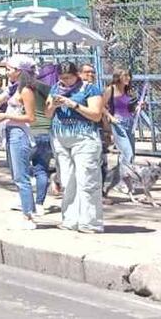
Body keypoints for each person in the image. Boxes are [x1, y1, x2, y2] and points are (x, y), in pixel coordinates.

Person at [47, 60, 105, 233]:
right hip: (61, 139)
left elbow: (96, 115)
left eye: (69, 78)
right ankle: (70, 220)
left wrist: (74, 105)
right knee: (68, 180)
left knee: (87, 180)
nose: (65, 81)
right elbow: (48, 112)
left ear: (77, 75)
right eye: (62, 78)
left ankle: (90, 222)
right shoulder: (56, 88)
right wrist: (53, 105)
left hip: (85, 138)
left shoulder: (89, 89)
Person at [0, 55, 40, 229]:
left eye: (9, 69)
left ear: (18, 71)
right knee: (16, 175)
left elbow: (30, 117)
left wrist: (6, 116)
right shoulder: (13, 89)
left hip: (19, 133)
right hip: (10, 132)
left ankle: (29, 217)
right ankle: (27, 212)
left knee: (21, 176)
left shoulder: (26, 91)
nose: (7, 72)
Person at [103, 68, 138, 195]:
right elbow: (101, 106)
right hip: (118, 123)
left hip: (130, 122)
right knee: (127, 153)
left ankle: (118, 180)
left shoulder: (129, 90)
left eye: (129, 76)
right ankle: (123, 182)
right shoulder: (110, 89)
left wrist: (139, 106)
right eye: (125, 76)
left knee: (131, 154)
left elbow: (130, 108)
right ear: (118, 77)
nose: (128, 78)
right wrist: (111, 117)